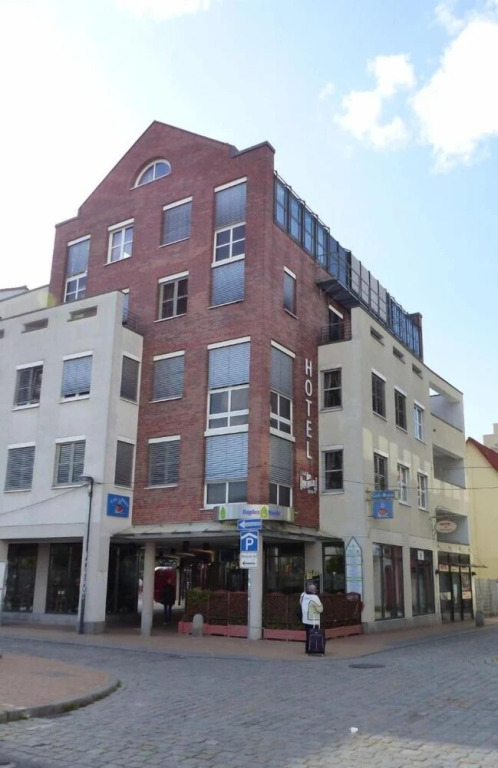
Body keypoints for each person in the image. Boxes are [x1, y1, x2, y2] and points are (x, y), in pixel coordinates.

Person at [300, 583, 323, 650]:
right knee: (314, 635)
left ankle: (307, 648)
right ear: (314, 590)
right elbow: (320, 609)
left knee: (308, 635)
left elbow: (300, 603)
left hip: (305, 619)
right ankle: (314, 648)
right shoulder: (315, 598)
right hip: (313, 620)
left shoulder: (303, 595)